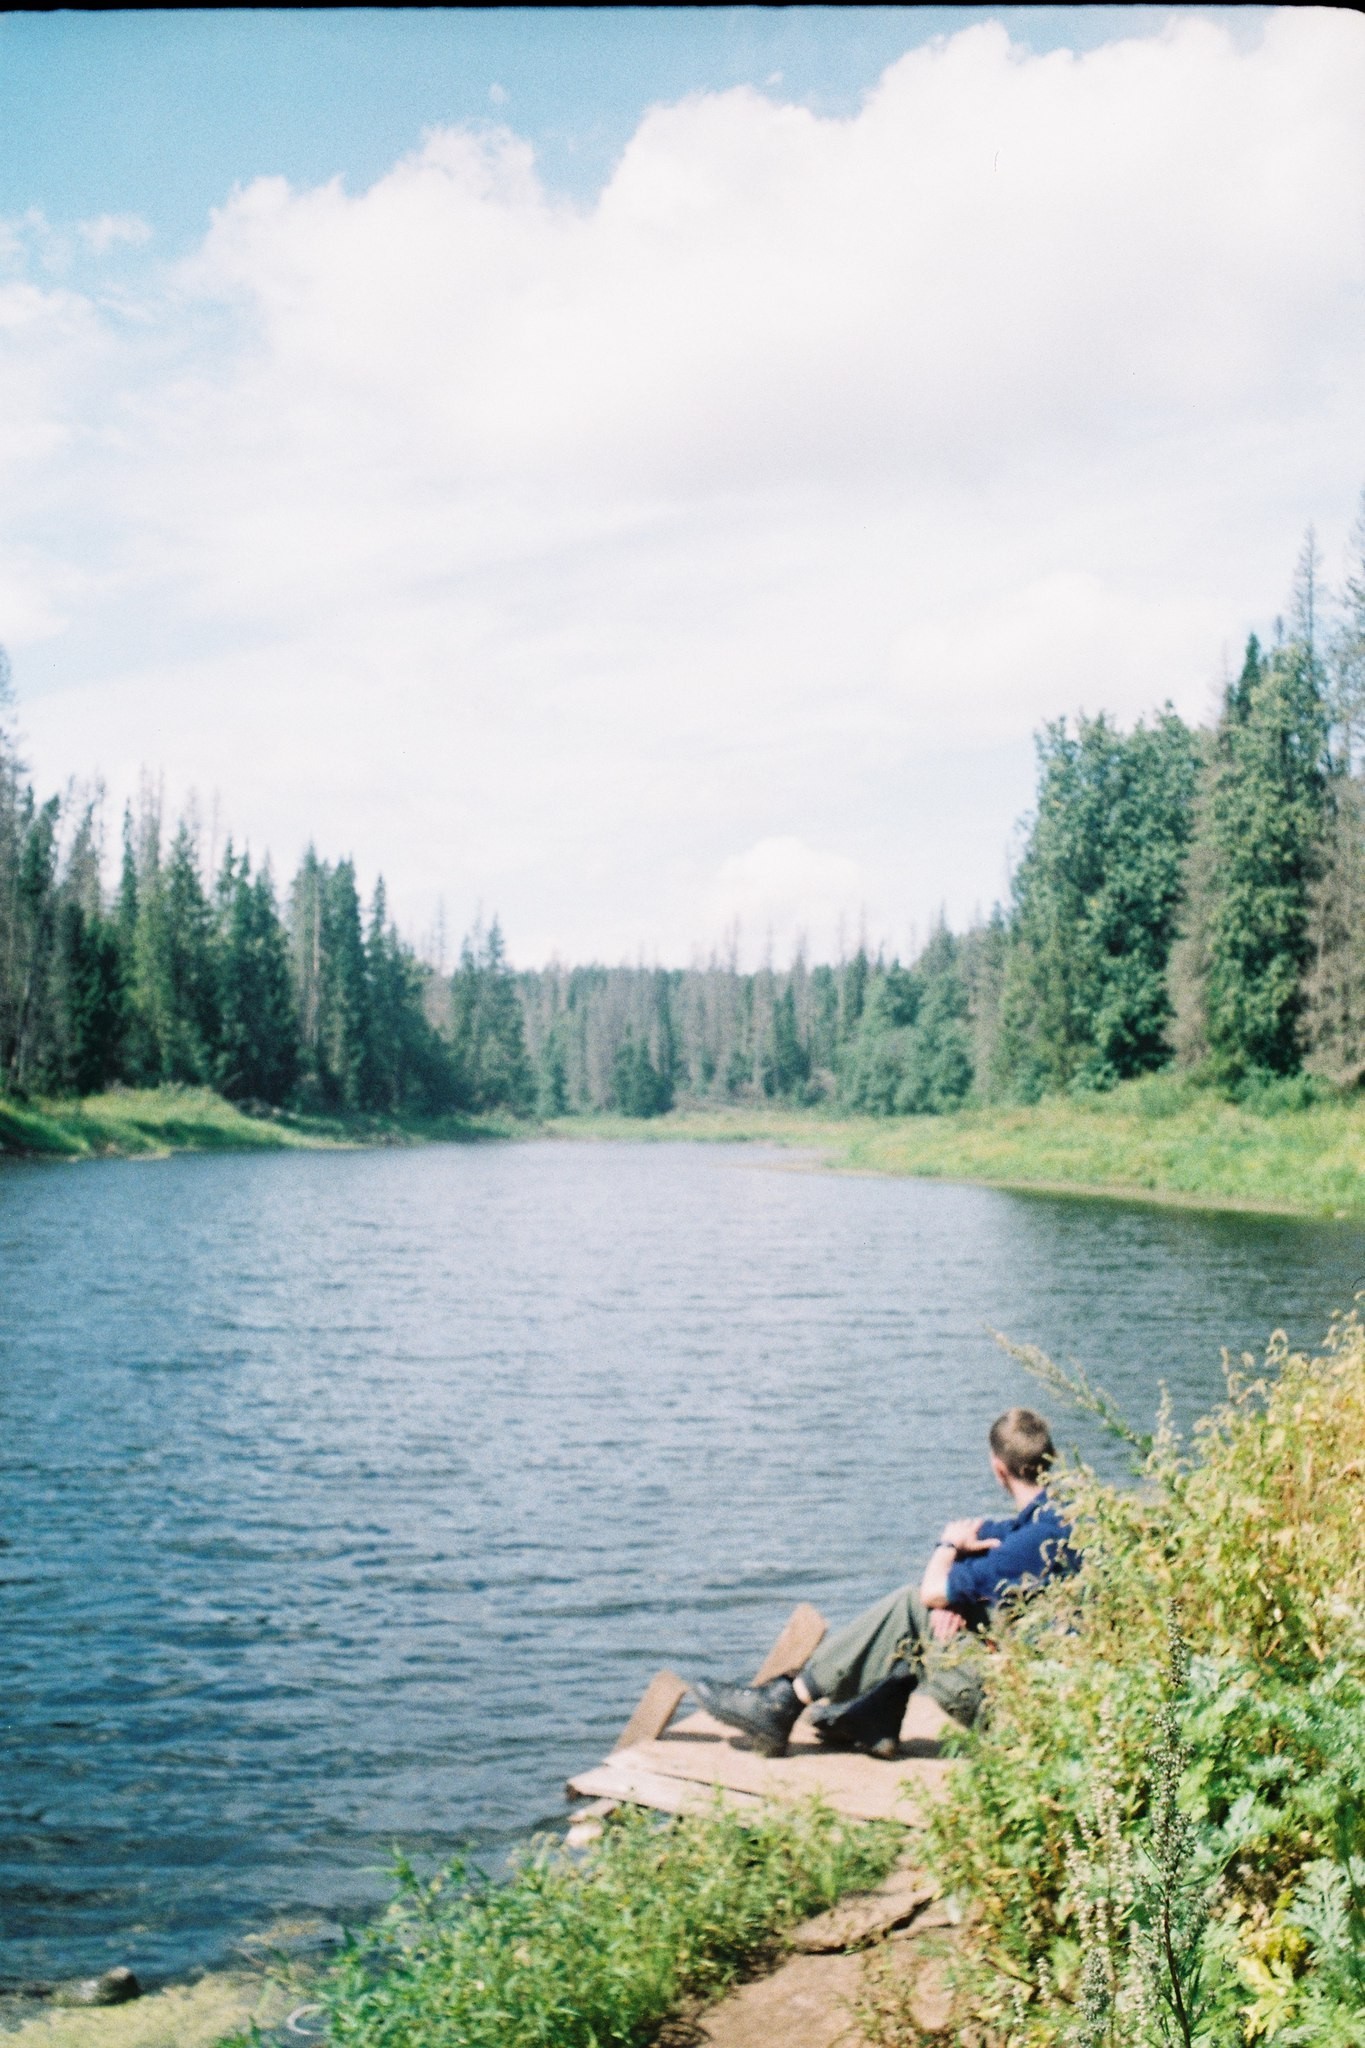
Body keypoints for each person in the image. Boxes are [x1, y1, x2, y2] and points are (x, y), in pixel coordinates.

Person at [692, 1406, 1076, 1757]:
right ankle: (874, 1715)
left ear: (998, 1468)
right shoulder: (1054, 1520)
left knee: (913, 1605)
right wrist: (955, 1597)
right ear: (1050, 1460)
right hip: (1048, 1698)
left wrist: (945, 1547)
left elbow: (931, 1589)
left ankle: (783, 1703)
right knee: (943, 1605)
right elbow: (985, 1538)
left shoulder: (1031, 1542)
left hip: (1019, 1719)